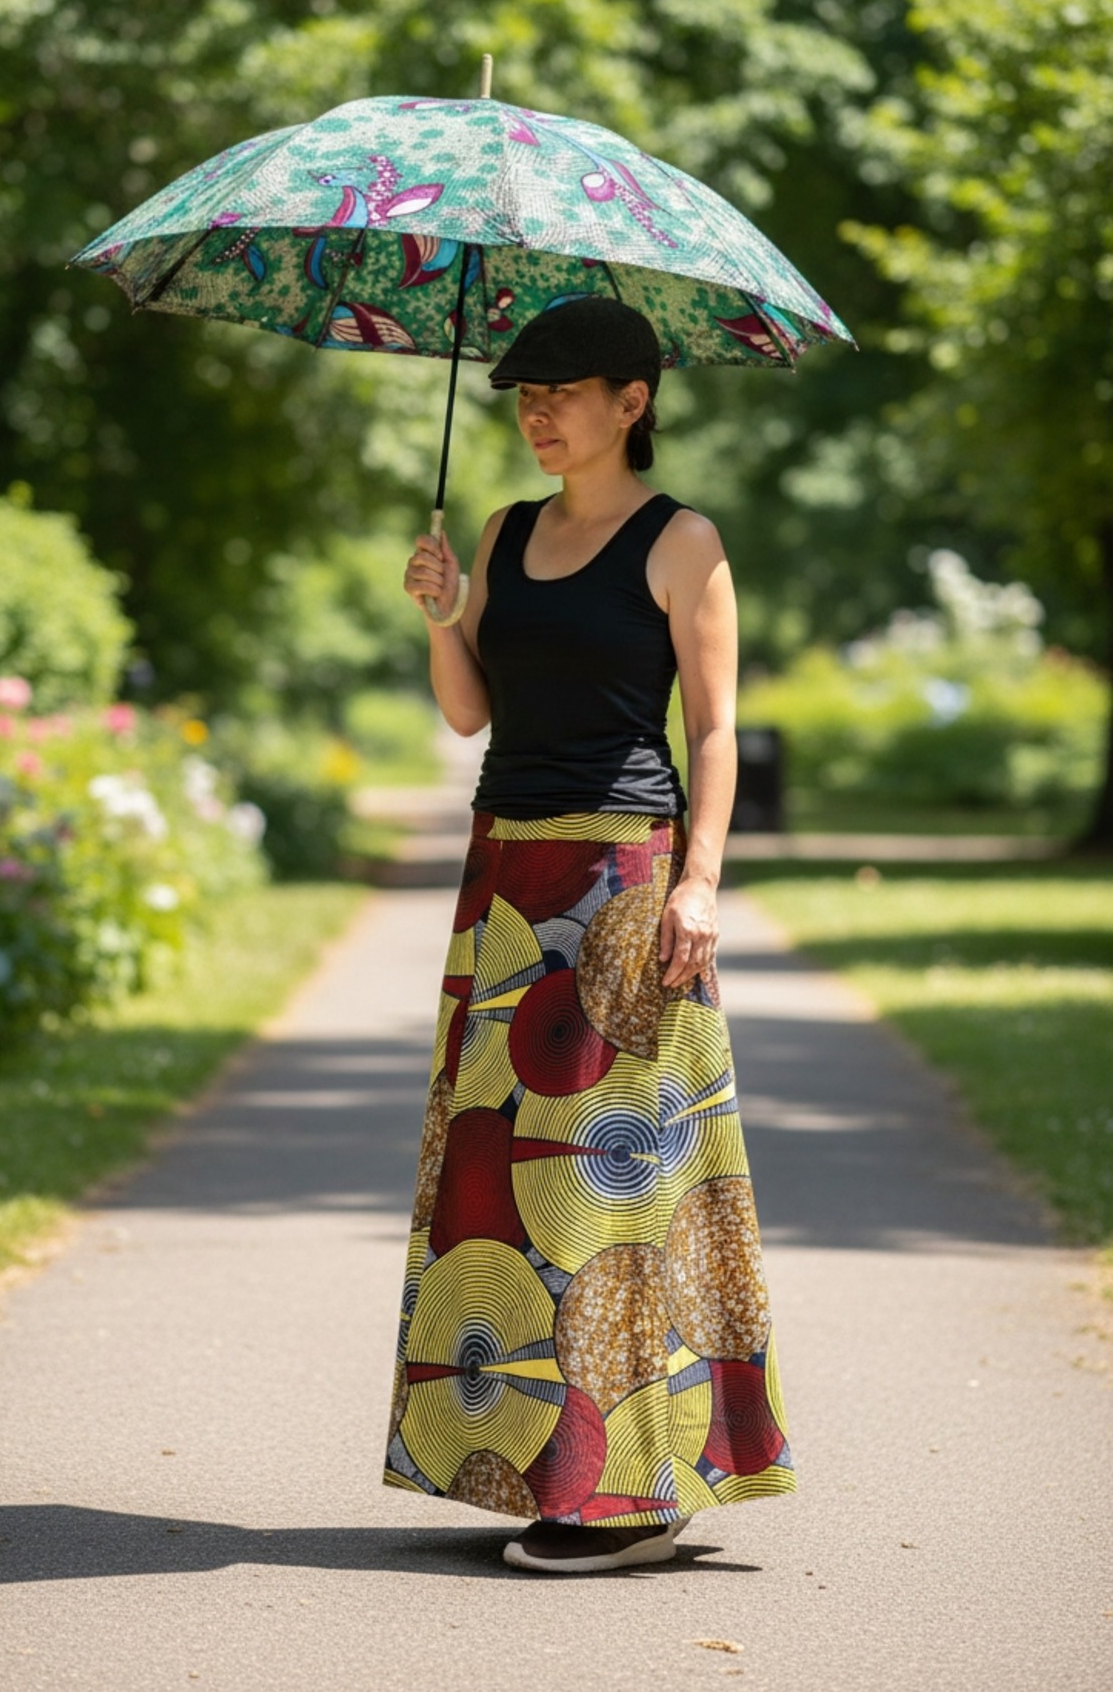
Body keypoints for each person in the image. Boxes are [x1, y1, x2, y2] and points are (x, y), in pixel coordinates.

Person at [386, 295, 792, 1575]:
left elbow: (713, 732)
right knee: (500, 1175)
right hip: (505, 869)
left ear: (632, 401)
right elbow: (469, 715)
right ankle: (545, 1470)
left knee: (608, 1184)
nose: (538, 413)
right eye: (524, 395)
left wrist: (697, 883)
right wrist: (443, 613)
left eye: (562, 392)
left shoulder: (682, 543)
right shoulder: (504, 532)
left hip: (621, 876)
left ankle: (626, 1499)